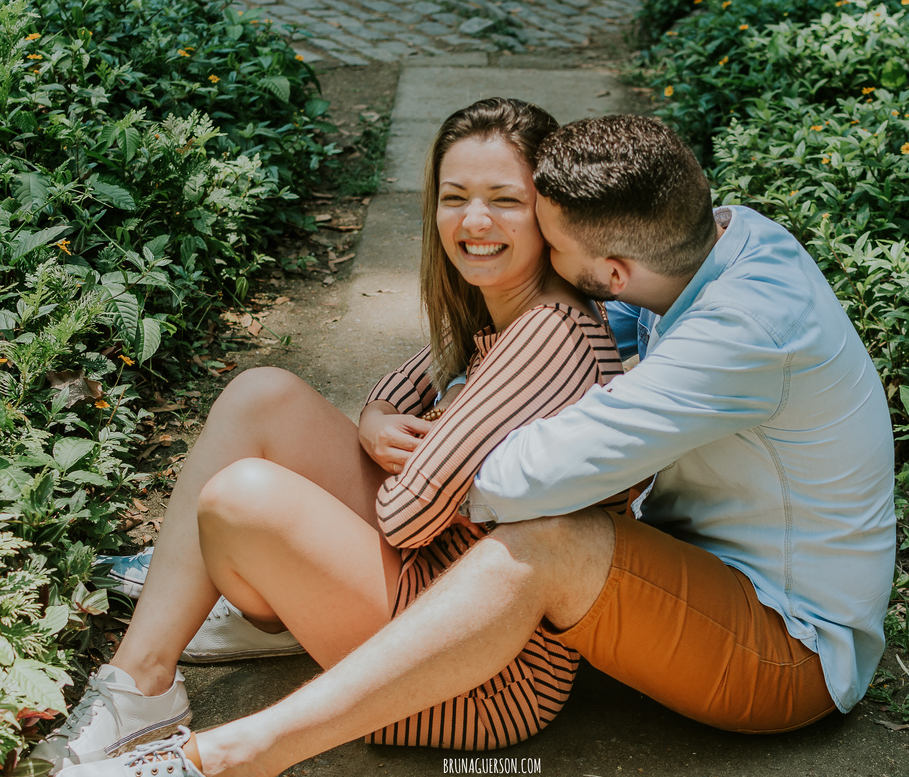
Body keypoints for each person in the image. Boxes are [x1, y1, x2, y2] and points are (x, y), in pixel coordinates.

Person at [56, 114, 896, 777]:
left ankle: (238, 757)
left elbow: (515, 479)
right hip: (680, 570)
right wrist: (402, 410)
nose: (510, 240)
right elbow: (545, 344)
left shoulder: (742, 335)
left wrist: (459, 428)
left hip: (788, 650)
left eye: (546, 235)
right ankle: (140, 688)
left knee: (551, 540)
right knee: (262, 397)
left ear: (607, 269)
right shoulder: (714, 237)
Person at [31, 97, 628, 774]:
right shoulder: (502, 309)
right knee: (263, 397)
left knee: (243, 500)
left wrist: (396, 471)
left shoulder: (549, 336)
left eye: (505, 200)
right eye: (455, 196)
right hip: (440, 581)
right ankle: (139, 686)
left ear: (548, 212)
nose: (475, 220)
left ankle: (183, 650)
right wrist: (385, 427)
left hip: (480, 672)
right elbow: (398, 391)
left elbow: (407, 518)